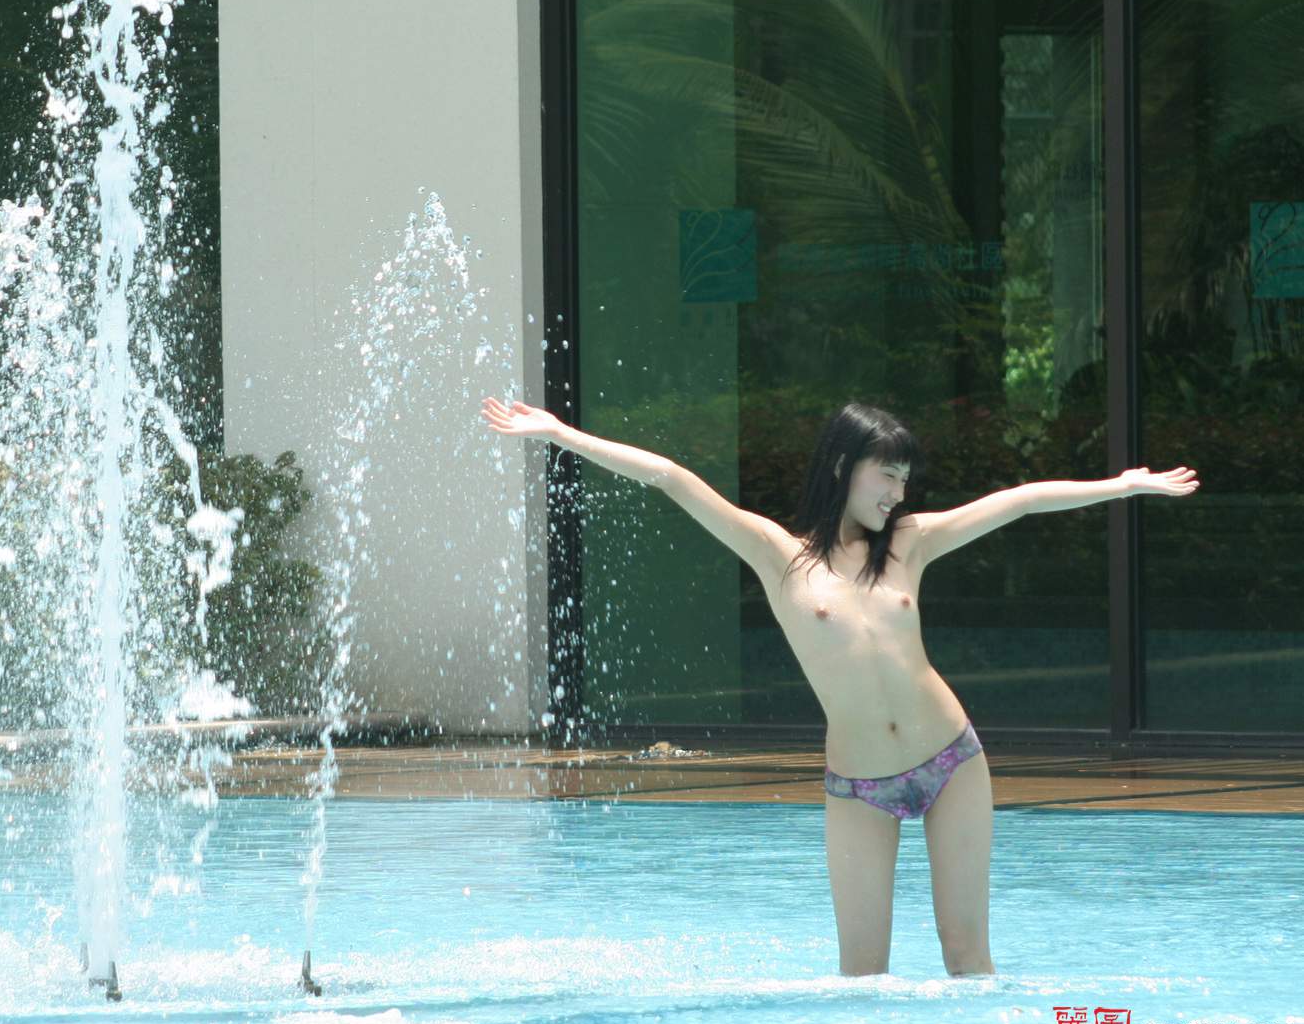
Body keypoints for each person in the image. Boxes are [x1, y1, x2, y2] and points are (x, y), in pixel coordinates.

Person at [480, 395, 1199, 978]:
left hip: (952, 760)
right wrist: (560, 435)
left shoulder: (911, 542)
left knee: (967, 957)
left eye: (904, 478)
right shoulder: (778, 556)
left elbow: (1019, 501)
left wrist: (1122, 485)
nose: (898, 492)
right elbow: (670, 477)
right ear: (842, 467)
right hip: (859, 785)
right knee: (862, 975)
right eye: (887, 475)